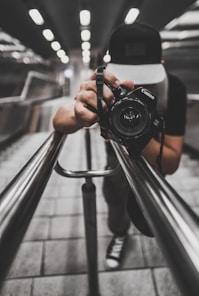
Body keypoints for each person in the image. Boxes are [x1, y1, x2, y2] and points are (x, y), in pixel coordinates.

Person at [52, 21, 187, 270]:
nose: (134, 86)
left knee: (153, 219)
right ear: (110, 70)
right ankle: (120, 235)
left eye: (145, 78)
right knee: (116, 214)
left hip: (154, 172)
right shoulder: (108, 88)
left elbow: (170, 162)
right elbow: (60, 119)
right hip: (115, 169)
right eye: (128, 77)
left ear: (162, 67)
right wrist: (81, 114)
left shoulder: (174, 90)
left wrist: (137, 133)